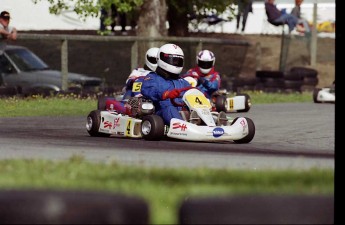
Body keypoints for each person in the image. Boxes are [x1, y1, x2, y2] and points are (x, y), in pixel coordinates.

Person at [140, 43, 193, 125]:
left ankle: (210, 125)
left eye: (179, 61)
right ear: (163, 59)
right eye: (174, 60)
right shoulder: (152, 78)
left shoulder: (183, 82)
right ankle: (182, 127)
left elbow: (193, 94)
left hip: (183, 112)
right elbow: (148, 90)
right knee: (169, 108)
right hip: (160, 114)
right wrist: (166, 94)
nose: (176, 63)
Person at [104, 47, 159, 114]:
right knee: (137, 82)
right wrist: (139, 80)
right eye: (154, 60)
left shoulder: (160, 75)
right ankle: (129, 105)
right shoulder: (139, 71)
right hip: (132, 96)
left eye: (158, 61)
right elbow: (129, 81)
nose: (156, 63)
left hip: (151, 97)